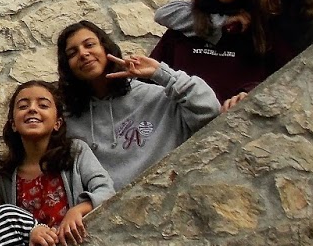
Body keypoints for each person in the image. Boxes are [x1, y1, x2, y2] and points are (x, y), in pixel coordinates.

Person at [57, 20, 220, 191]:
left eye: (89, 45)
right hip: (105, 206)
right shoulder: (68, 118)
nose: (83, 54)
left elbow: (210, 112)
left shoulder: (155, 97)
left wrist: (161, 73)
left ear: (105, 48)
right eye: (72, 53)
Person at [151, 0, 271, 110]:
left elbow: (279, 77)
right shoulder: (183, 30)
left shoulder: (260, 27)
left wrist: (249, 93)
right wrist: (221, 22)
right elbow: (150, 85)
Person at [0, 81, 114, 246]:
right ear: (13, 124)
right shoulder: (6, 176)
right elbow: (9, 230)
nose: (32, 109)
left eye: (43, 105)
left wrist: (78, 210)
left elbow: (106, 191)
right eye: (23, 106)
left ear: (57, 122)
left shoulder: (75, 152)